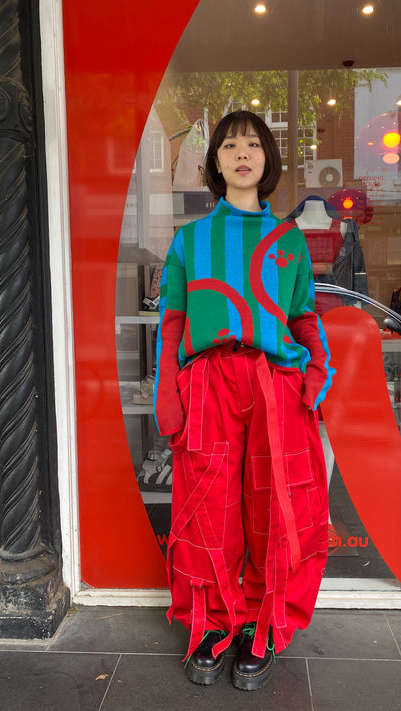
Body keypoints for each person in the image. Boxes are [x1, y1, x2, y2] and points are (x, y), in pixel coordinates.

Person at [153, 110, 335, 691]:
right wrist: (166, 392)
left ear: (267, 159)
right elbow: (172, 323)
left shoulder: (289, 240)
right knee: (208, 506)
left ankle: (264, 620)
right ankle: (211, 623)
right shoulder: (189, 240)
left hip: (275, 384)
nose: (241, 153)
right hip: (208, 382)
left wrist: (317, 373)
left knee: (276, 507)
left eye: (253, 144)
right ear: (215, 161)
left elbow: (303, 314)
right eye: (229, 144)